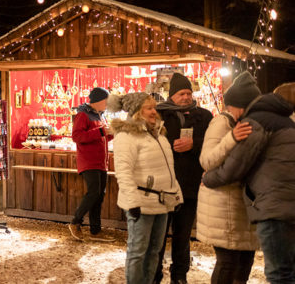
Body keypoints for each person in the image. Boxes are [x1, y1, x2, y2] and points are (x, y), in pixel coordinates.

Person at [203, 91, 295, 283]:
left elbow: (234, 167)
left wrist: (208, 179)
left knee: (278, 273)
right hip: (267, 204)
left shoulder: (256, 122)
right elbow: (208, 158)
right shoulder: (287, 123)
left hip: (271, 207)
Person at [109, 92, 183, 284]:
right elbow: (123, 172)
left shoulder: (159, 134)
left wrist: (176, 195)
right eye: (149, 108)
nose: (154, 112)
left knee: (155, 252)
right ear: (137, 112)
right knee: (138, 252)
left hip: (162, 202)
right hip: (141, 202)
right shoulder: (127, 136)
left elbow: (169, 169)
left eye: (154, 108)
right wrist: (132, 202)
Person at [196, 72, 260, 284]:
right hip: (223, 205)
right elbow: (206, 160)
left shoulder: (245, 123)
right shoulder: (221, 124)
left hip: (241, 204)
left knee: (244, 260)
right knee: (228, 263)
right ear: (241, 105)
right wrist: (231, 139)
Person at [155, 72, 212, 284]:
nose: (187, 97)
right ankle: (155, 275)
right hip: (164, 186)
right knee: (158, 236)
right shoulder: (159, 115)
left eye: (189, 93)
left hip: (189, 186)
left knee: (182, 236)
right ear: (172, 95)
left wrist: (193, 144)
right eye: (181, 93)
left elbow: (211, 144)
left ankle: (179, 276)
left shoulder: (204, 116)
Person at [68, 87, 114, 241]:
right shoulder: (83, 114)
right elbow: (77, 136)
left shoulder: (100, 116)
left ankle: (95, 231)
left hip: (101, 162)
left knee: (100, 195)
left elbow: (101, 137)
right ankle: (75, 222)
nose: (108, 104)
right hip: (89, 161)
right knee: (94, 192)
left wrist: (111, 133)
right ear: (99, 101)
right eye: (106, 101)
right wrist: (102, 132)